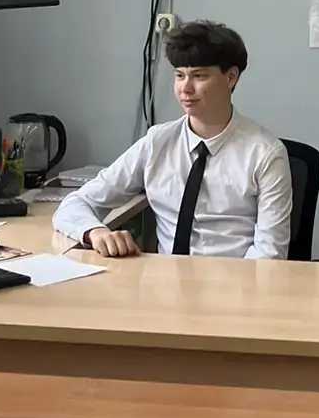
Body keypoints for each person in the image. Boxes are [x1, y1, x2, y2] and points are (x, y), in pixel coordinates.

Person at [53, 20, 292, 259]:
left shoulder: (265, 153)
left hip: (236, 277)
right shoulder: (157, 142)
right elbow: (76, 203)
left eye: (199, 76)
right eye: (179, 75)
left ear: (231, 78)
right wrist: (96, 232)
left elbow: (269, 254)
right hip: (165, 277)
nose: (185, 88)